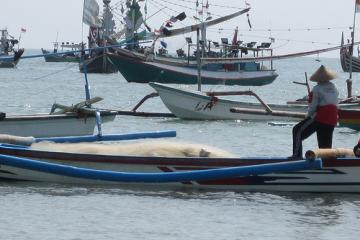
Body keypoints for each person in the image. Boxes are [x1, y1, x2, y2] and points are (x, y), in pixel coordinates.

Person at [291, 65, 339, 159]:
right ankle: (327, 160)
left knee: (297, 130)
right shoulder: (334, 87)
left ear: (319, 79)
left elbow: (313, 107)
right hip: (333, 118)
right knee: (325, 146)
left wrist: (307, 117)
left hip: (321, 116)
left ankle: (297, 155)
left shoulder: (317, 88)